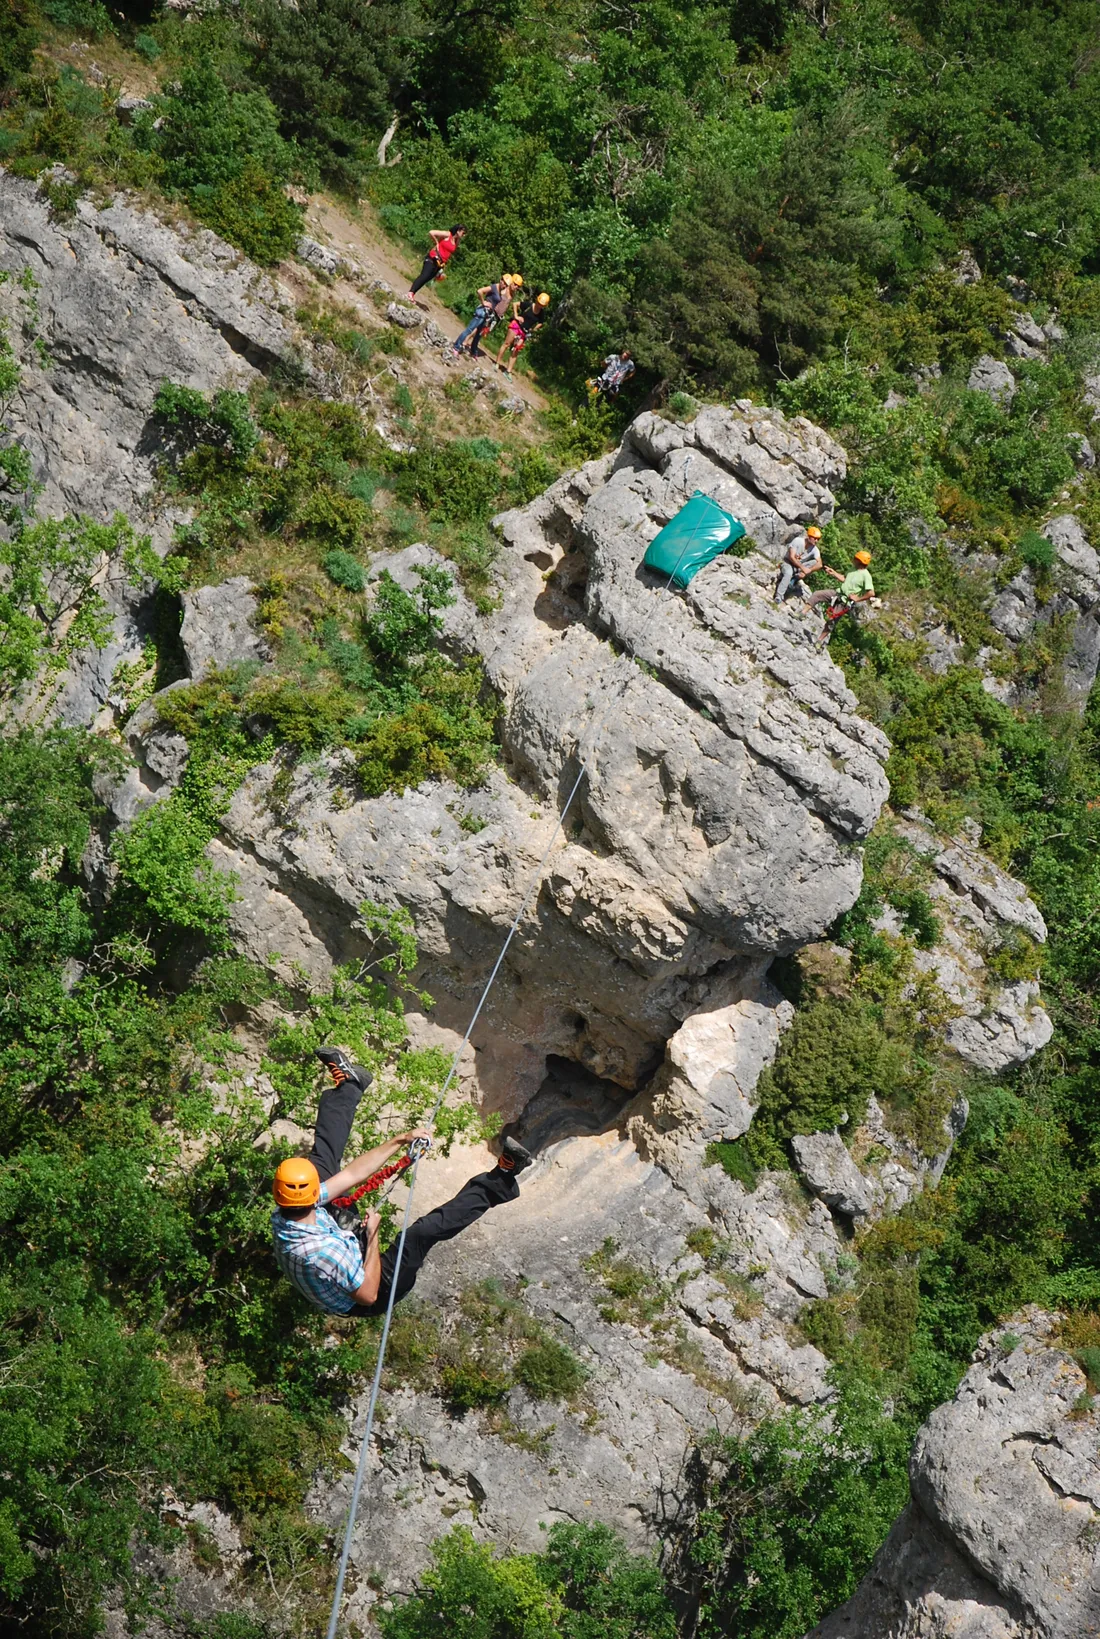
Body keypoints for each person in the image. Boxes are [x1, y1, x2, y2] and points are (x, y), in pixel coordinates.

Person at [271, 1048, 533, 1317]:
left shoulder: (286, 1211)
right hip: (374, 1292)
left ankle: (350, 1085)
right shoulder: (323, 1253)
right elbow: (368, 1294)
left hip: (336, 1249)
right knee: (419, 1235)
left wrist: (401, 1139)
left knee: (322, 1166)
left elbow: (350, 1175)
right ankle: (502, 1178)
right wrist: (372, 1236)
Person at [807, 548, 875, 645]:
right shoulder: (853, 569)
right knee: (817, 595)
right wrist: (833, 573)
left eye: (855, 559)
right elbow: (844, 579)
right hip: (838, 593)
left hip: (845, 602)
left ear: (859, 561)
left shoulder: (866, 576)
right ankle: (801, 613)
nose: (853, 560)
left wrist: (857, 599)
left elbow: (871, 593)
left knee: (831, 621)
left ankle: (819, 641)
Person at [452, 274, 518, 358]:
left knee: (479, 334)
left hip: (488, 315)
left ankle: (473, 351)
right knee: (469, 329)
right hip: (483, 311)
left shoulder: (501, 291)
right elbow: (480, 291)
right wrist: (483, 302)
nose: (504, 285)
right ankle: (456, 347)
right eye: (503, 282)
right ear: (501, 280)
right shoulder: (494, 287)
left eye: (506, 284)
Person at [405, 225, 467, 302]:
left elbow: (449, 252)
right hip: (433, 257)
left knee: (426, 279)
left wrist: (443, 267)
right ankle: (410, 292)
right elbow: (431, 232)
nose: (464, 235)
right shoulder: (447, 234)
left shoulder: (457, 241)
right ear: (458, 231)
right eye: (463, 233)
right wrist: (437, 242)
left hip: (440, 263)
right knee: (424, 275)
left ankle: (412, 294)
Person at [496, 291, 550, 375]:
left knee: (516, 350)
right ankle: (497, 363)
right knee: (506, 344)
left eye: (542, 305)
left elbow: (541, 322)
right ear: (537, 300)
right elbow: (515, 304)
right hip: (516, 326)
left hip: (524, 332)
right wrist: (516, 315)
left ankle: (508, 371)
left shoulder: (541, 313)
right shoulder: (528, 305)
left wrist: (533, 329)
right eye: (539, 303)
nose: (540, 305)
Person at [774, 525, 824, 604]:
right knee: (788, 573)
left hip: (799, 566)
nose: (816, 541)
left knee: (814, 562)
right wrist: (803, 568)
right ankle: (779, 596)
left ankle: (795, 579)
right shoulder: (798, 541)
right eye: (815, 538)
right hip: (788, 563)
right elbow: (791, 557)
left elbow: (820, 564)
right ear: (809, 536)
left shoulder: (815, 549)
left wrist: (807, 571)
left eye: (818, 539)